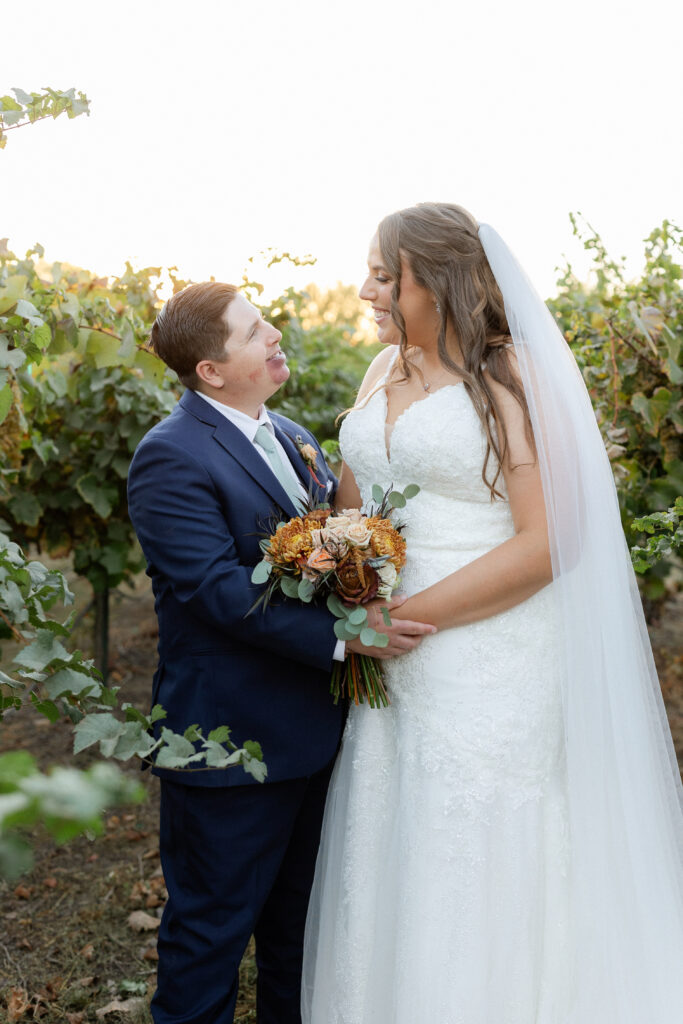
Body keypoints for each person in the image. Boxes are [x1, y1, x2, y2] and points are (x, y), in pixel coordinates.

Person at [301, 203, 683, 1023]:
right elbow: (354, 500)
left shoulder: (506, 379)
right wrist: (342, 572)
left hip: (487, 652)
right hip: (392, 651)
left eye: (381, 272)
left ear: (434, 282)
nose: (364, 288)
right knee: (389, 822)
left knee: (469, 841)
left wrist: (401, 618)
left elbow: (549, 543)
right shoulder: (381, 371)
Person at [126, 281, 435, 1024]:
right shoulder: (169, 457)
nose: (274, 336)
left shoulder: (288, 431)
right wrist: (342, 639)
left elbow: (332, 539)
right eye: (254, 331)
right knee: (209, 938)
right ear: (210, 371)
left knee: (301, 939)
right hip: (228, 742)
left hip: (313, 733)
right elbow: (214, 589)